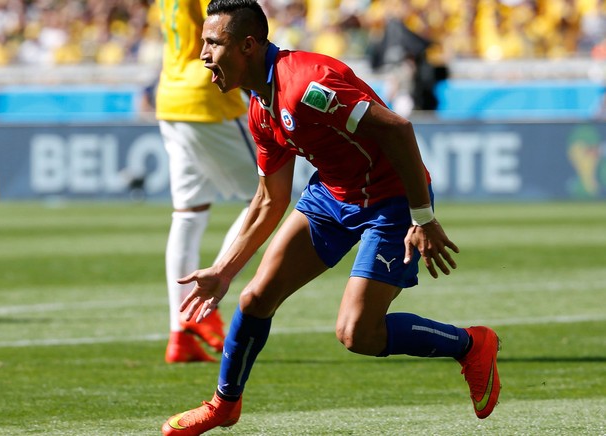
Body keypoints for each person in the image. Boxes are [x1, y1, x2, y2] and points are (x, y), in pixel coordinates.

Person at [161, 0, 502, 434]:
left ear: (247, 46)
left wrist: (422, 217)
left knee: (357, 334)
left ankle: (471, 344)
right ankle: (223, 405)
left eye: (212, 43)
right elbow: (269, 199)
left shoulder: (307, 85)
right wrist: (224, 271)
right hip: (332, 195)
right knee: (253, 299)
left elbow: (396, 128)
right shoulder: (260, 107)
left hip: (392, 200)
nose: (203, 54)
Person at [156, 0, 259, 363]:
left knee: (187, 213)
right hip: (207, 96)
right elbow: (225, 28)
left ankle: (180, 332)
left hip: (170, 96)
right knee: (265, 197)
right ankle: (207, 297)